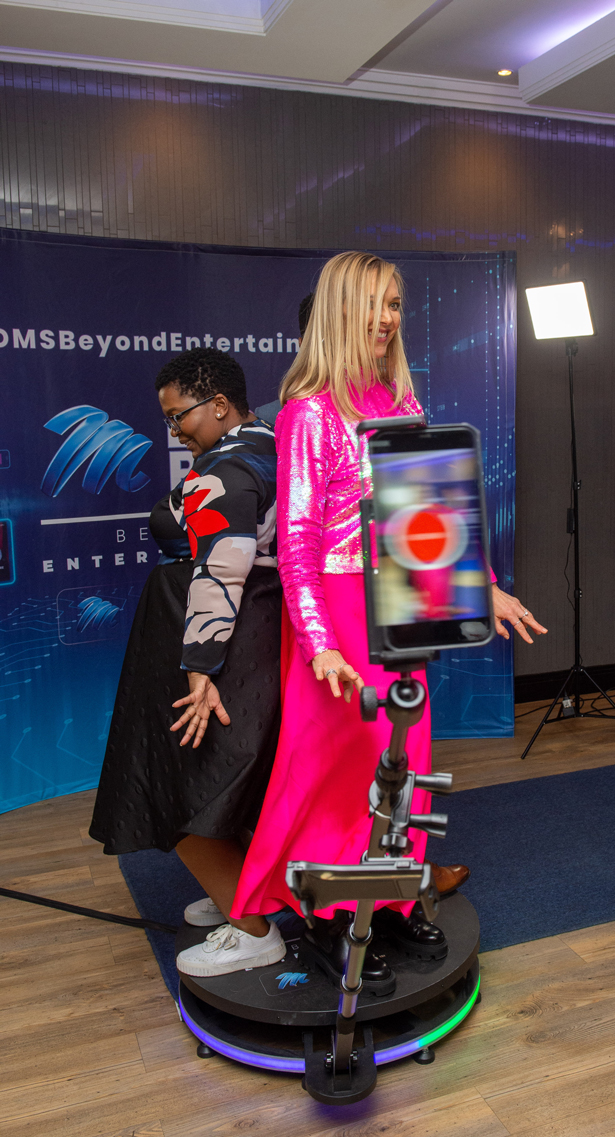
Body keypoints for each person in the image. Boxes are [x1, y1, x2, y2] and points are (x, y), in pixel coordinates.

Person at [230, 251, 546, 993]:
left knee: (402, 762)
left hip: (404, 603)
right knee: (338, 770)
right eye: (372, 303)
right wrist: (318, 645)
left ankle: (392, 898)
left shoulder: (400, 403)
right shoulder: (309, 413)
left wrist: (482, 588)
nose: (385, 319)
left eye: (395, 304)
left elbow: (428, 516)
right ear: (339, 311)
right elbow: (297, 544)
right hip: (337, 617)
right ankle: (332, 915)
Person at [89, 348, 287, 977]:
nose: (174, 431)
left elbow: (222, 569)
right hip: (252, 630)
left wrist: (201, 667)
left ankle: (253, 930)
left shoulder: (228, 468)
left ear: (220, 405)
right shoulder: (267, 442)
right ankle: (239, 893)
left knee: (181, 781)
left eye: (179, 416)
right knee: (221, 781)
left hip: (221, 641)